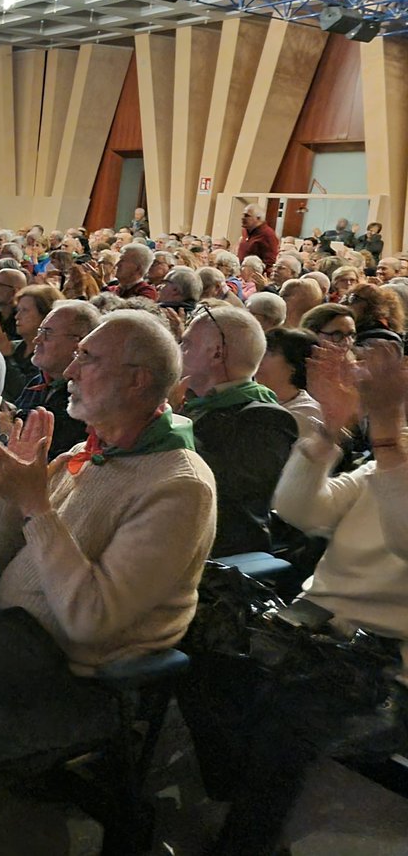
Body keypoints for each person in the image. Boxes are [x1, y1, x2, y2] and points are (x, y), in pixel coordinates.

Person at [0, 311, 216, 856]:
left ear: (137, 379)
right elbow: (6, 552)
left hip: (71, 679)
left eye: (89, 358)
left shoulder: (180, 485)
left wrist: (36, 503)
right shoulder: (93, 452)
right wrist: (13, 487)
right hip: (7, 640)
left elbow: (90, 619)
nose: (72, 371)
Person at [208, 340, 408, 854]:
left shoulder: (395, 454)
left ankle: (244, 842)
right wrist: (328, 430)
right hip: (317, 635)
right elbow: (301, 510)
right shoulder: (393, 458)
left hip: (386, 662)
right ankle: (236, 806)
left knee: (285, 719)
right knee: (206, 647)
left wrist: (384, 429)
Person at [179, 304, 297, 558]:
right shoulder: (190, 402)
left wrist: (163, 420)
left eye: (186, 345)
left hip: (216, 553)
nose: (178, 353)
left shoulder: (267, 419)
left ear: (217, 354)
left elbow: (209, 486)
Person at [11, 300, 100, 458]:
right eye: (39, 332)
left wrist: (12, 426)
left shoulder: (89, 397)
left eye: (47, 333)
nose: (37, 340)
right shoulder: (40, 381)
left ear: (79, 342)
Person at [256, 327, 322, 437]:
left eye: (269, 353)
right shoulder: (250, 396)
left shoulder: (306, 413)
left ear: (294, 365)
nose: (259, 359)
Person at [237, 204, 279, 270]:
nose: (243, 218)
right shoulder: (245, 231)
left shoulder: (268, 234)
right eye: (243, 215)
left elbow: (270, 262)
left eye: (247, 216)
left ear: (258, 218)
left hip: (255, 275)